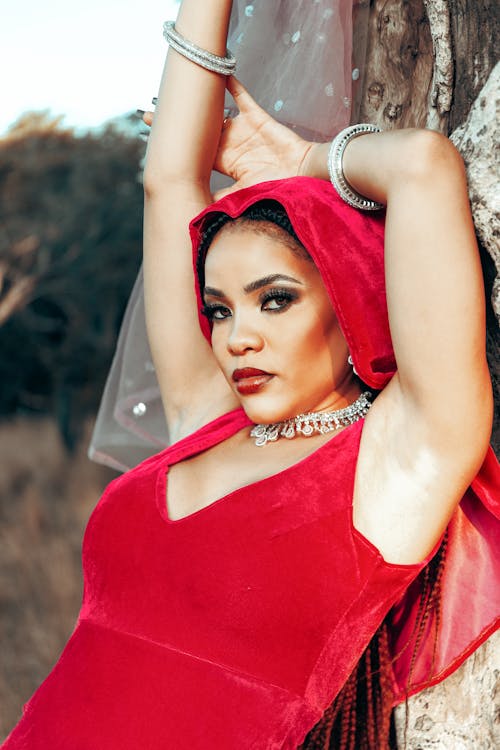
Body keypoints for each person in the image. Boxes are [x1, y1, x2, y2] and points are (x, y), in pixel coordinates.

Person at [3, 1, 499, 748]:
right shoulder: (209, 420)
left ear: (349, 297)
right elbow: (169, 183)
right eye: (220, 310)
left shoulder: (399, 461)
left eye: (275, 300)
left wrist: (306, 163)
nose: (236, 338)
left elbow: (424, 167)